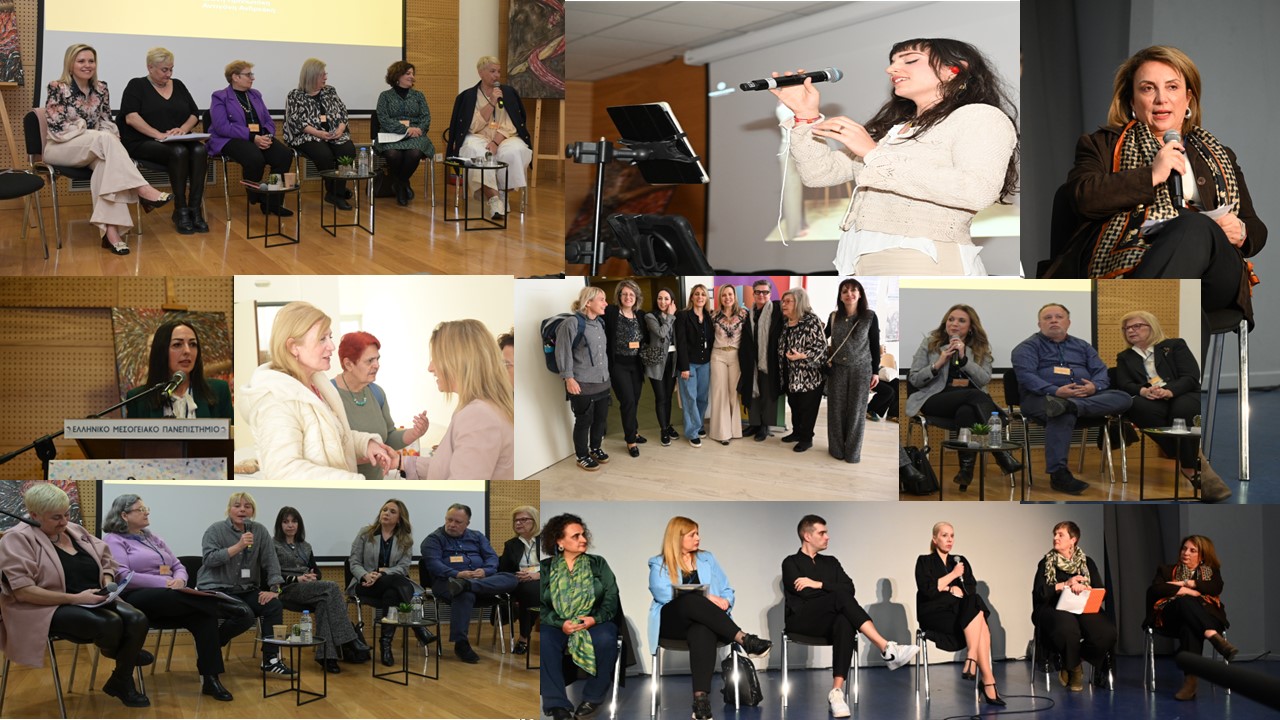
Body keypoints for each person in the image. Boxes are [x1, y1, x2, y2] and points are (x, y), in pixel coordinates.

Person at [771, 38, 1018, 275]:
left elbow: (977, 191)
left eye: (910, 60)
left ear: (953, 70)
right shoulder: (893, 131)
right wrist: (805, 115)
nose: (890, 69)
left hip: (921, 256)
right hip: (857, 257)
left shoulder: (979, 117)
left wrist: (873, 154)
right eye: (892, 62)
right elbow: (819, 174)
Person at [1060, 46, 1265, 330]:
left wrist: (1241, 231)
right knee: (1185, 314)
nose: (1161, 99)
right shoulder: (1102, 145)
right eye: (1148, 88)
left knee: (1195, 226)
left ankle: (1129, 326)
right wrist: (1151, 175)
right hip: (1134, 267)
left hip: (1215, 276)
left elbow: (1256, 228)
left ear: (1188, 97)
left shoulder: (1220, 154)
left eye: (1172, 87)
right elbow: (1082, 198)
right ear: (1132, 99)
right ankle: (1148, 346)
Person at [0, 484, 150, 707]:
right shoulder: (16, 539)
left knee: (138, 619)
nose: (64, 522)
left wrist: (107, 581)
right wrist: (77, 599)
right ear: (34, 515)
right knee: (109, 623)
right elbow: (23, 592)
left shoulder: (74, 530)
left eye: (67, 514)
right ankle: (124, 655)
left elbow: (106, 560)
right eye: (56, 517)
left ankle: (120, 678)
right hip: (47, 607)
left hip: (92, 598)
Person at [240, 301, 394, 480]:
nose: (332, 346)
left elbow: (331, 436)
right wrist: (352, 482)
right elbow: (283, 470)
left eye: (330, 337)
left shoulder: (316, 385)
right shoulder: (276, 400)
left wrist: (366, 444)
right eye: (322, 339)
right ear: (293, 347)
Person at [43, 43, 173, 255]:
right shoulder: (57, 87)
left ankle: (111, 234)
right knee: (104, 139)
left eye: (91, 61)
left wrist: (102, 135)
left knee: (106, 166)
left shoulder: (101, 88)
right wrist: (91, 131)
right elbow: (57, 126)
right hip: (61, 147)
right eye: (81, 61)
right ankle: (142, 188)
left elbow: (106, 121)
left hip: (94, 147)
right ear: (70, 63)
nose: (87, 65)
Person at [784, 515, 919, 718]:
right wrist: (831, 590)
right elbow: (806, 594)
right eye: (822, 533)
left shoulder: (831, 562)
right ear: (807, 536)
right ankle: (886, 648)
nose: (827, 537)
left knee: (845, 620)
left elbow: (850, 588)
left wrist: (819, 584)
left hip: (828, 621)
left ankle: (836, 692)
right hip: (802, 620)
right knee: (840, 598)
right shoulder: (790, 563)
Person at [102, 494, 233, 700]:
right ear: (124, 515)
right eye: (140, 509)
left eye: (146, 508)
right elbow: (124, 576)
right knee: (180, 599)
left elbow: (178, 565)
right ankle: (218, 604)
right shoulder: (113, 540)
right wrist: (165, 583)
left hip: (169, 597)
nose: (146, 513)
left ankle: (211, 679)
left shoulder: (153, 538)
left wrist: (180, 580)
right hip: (134, 598)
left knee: (204, 617)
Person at [648, 517, 772, 720]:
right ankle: (744, 639)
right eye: (692, 535)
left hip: (702, 622)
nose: (698, 538)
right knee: (690, 600)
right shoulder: (659, 562)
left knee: (702, 630)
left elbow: (727, 589)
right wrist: (706, 596)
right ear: (677, 537)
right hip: (672, 623)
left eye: (698, 533)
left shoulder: (707, 559)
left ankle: (701, 702)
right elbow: (662, 593)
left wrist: (726, 601)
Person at [1011, 303, 1132, 495]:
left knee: (1123, 397)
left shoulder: (1082, 346)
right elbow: (1027, 377)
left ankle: (1071, 406)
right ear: (1039, 324)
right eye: (1047, 318)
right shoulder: (1026, 348)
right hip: (1042, 398)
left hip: (1085, 396)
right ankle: (1059, 474)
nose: (1053, 320)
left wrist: (1095, 386)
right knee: (1060, 412)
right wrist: (1056, 391)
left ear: (1068, 322)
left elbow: (1100, 371)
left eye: (1058, 317)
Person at [1115, 310, 1230, 502]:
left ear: (1151, 327)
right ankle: (1191, 460)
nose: (1131, 331)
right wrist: (1144, 391)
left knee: (1181, 411)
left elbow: (1191, 376)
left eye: (1137, 326)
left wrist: (1169, 391)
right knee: (1135, 406)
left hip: (1182, 393)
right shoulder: (1125, 356)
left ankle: (1188, 466)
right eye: (1126, 328)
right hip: (1151, 398)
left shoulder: (1174, 345)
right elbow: (1124, 384)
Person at [908, 304, 1021, 489]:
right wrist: (938, 364)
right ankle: (1000, 451)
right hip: (935, 399)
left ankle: (965, 472)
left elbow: (984, 379)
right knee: (975, 395)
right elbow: (915, 379)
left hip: (968, 401)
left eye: (961, 321)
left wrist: (965, 360)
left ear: (971, 327)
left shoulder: (979, 347)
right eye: (951, 319)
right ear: (945, 323)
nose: (954, 324)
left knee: (967, 411)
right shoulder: (930, 344)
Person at [398, 319, 515, 480]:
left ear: (457, 361)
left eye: (436, 358)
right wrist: (401, 462)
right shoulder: (481, 409)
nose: (430, 368)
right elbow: (451, 466)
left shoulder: (478, 416)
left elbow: (463, 487)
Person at [198, 491, 293, 676]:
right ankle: (211, 644)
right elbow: (209, 559)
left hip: (245, 589)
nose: (242, 510)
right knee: (245, 614)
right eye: (237, 506)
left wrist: (275, 589)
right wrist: (239, 546)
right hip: (217, 589)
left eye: (247, 507)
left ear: (252, 511)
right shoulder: (215, 530)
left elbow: (271, 561)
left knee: (273, 606)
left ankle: (270, 659)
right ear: (229, 510)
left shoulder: (260, 531)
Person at [118, 47, 208, 234]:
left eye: (171, 69)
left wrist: (183, 129)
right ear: (150, 67)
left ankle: (195, 209)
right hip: (143, 141)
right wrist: (158, 134)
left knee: (200, 150)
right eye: (164, 70)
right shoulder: (136, 85)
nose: (169, 74)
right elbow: (131, 118)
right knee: (179, 152)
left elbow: (194, 113)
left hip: (176, 140)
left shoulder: (179, 85)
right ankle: (180, 210)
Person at [540, 513, 620, 720]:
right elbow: (540, 605)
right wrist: (560, 623)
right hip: (559, 622)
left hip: (594, 620)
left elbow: (611, 597)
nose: (583, 539)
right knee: (545, 639)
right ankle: (556, 705)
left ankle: (593, 698)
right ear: (559, 541)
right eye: (576, 536)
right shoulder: (545, 568)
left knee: (605, 638)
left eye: (583, 534)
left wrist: (595, 619)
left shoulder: (597, 563)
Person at [915, 522, 1003, 706]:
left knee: (975, 601)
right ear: (935, 539)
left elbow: (969, 590)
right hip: (934, 614)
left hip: (957, 612)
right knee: (980, 621)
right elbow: (928, 590)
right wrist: (952, 580)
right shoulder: (924, 561)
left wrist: (949, 587)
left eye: (952, 536)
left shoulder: (960, 560)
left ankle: (972, 657)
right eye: (944, 535)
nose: (949, 540)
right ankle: (988, 680)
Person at [270, 506, 364, 673]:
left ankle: (327, 657)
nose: (290, 525)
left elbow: (317, 571)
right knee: (332, 586)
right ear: (280, 525)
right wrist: (297, 578)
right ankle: (349, 638)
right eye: (285, 522)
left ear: (299, 524)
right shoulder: (273, 545)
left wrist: (313, 576)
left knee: (325, 603)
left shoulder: (305, 546)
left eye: (294, 521)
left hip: (309, 588)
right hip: (286, 590)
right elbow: (271, 574)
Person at [421, 503, 519, 664]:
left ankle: (468, 585)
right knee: (464, 594)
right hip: (447, 582)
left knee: (511, 578)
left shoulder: (477, 536)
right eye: (449, 520)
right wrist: (458, 574)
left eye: (458, 522)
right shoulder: (433, 540)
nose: (452, 524)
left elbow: (492, 558)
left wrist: (485, 571)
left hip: (481, 580)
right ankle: (461, 643)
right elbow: (434, 565)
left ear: (467, 523)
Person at [1146, 534, 1237, 701]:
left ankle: (1191, 681)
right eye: (1184, 548)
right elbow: (1155, 590)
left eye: (1192, 550)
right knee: (1184, 601)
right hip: (1171, 618)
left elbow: (1215, 587)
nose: (1186, 553)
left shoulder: (1211, 572)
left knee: (1189, 628)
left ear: (1202, 556)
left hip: (1205, 616)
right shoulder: (1166, 570)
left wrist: (1190, 583)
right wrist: (1185, 590)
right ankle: (1212, 635)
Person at [1031, 521, 1116, 692]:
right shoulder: (1046, 563)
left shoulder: (1087, 562)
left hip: (1081, 606)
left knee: (1107, 632)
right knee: (1068, 628)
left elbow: (1100, 589)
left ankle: (1073, 660)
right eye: (1055, 534)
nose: (1055, 538)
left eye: (1060, 534)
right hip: (1052, 607)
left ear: (1073, 540)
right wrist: (1064, 584)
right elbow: (1039, 593)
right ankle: (1075, 670)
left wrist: (1086, 588)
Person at [445, 55, 533, 219]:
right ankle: (494, 200)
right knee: (476, 151)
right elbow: (472, 126)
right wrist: (492, 102)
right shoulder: (468, 96)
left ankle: (503, 193)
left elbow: (512, 123)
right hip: (478, 136)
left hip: (504, 136)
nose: (497, 75)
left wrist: (495, 142)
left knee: (516, 150)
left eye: (498, 71)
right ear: (481, 72)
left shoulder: (508, 93)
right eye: (492, 71)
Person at [347, 499, 432, 666]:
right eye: (384, 510)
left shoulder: (405, 539)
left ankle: (385, 645)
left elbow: (403, 567)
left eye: (392, 511)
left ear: (399, 519)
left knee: (392, 594)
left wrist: (382, 573)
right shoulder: (365, 533)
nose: (386, 513)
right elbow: (354, 562)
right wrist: (366, 575)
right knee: (399, 583)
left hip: (389, 584)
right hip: (365, 585)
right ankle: (417, 626)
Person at [332, 331, 428, 479]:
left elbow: (388, 438)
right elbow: (326, 452)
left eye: (377, 359)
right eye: (369, 361)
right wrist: (370, 455)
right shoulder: (327, 395)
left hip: (376, 484)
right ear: (348, 364)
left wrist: (415, 432)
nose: (376, 365)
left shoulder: (377, 393)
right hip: (343, 485)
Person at [209, 60, 295, 217]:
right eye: (248, 75)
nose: (252, 78)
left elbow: (268, 120)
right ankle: (256, 194)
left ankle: (272, 202)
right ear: (235, 77)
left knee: (284, 155)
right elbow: (222, 127)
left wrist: (267, 135)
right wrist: (252, 137)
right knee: (255, 158)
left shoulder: (255, 95)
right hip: (230, 139)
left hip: (259, 137)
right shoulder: (220, 96)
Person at [283, 58, 356, 210]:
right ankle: (336, 193)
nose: (326, 77)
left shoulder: (330, 91)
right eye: (322, 75)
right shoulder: (295, 95)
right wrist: (318, 133)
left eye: (325, 74)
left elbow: (343, 112)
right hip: (307, 136)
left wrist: (340, 129)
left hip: (334, 134)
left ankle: (335, 192)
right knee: (324, 154)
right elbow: (296, 121)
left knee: (347, 150)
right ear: (311, 76)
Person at [125, 320, 233, 420]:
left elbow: (232, 433)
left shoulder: (219, 391)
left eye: (192, 344)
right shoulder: (138, 399)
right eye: (177, 344)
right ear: (161, 351)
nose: (187, 351)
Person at [558, 287, 611, 471]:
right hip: (582, 384)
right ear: (588, 302)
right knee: (584, 421)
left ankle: (595, 448)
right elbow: (563, 352)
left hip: (603, 381)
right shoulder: (571, 323)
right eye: (602, 299)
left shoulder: (600, 323)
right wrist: (568, 379)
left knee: (600, 420)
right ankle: (582, 456)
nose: (606, 303)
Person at [826, 279, 879, 463]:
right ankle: (836, 450)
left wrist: (875, 372)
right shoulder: (834, 317)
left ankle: (853, 453)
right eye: (845, 291)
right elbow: (821, 337)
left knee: (857, 412)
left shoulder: (869, 316)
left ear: (860, 294)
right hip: (837, 369)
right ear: (840, 297)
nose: (849, 294)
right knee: (836, 411)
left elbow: (874, 345)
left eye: (853, 290)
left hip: (861, 370)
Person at [375, 60, 434, 206]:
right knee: (392, 154)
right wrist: (405, 130)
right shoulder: (385, 96)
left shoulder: (418, 95)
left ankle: (399, 183)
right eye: (408, 73)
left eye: (413, 74)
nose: (412, 77)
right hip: (391, 133)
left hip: (416, 134)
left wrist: (419, 129)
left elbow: (426, 117)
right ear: (397, 75)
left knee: (414, 153)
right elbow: (383, 118)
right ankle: (403, 183)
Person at [779, 287, 827, 452]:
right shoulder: (786, 322)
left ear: (799, 303)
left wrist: (802, 356)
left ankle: (806, 439)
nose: (784, 304)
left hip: (809, 376)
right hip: (790, 374)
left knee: (807, 408)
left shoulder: (811, 320)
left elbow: (821, 348)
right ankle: (797, 432)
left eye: (788, 301)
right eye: (783, 301)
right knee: (794, 405)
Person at [604, 280, 648, 457]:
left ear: (636, 297)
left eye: (632, 294)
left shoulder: (640, 315)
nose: (628, 297)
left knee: (635, 400)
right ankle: (631, 441)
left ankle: (634, 431)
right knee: (628, 401)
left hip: (636, 364)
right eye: (625, 294)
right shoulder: (611, 312)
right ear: (619, 296)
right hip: (618, 364)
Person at [743, 279, 784, 442]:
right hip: (752, 361)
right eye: (758, 292)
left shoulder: (777, 311)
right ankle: (754, 424)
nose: (761, 295)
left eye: (765, 292)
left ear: (770, 294)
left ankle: (765, 426)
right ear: (753, 294)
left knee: (767, 394)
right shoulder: (749, 313)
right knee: (753, 393)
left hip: (769, 361)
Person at [707, 284, 747, 446]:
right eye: (724, 295)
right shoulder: (713, 315)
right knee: (719, 393)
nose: (727, 298)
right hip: (718, 355)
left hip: (736, 356)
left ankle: (735, 430)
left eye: (730, 294)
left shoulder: (744, 314)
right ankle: (722, 433)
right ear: (720, 297)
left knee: (733, 393)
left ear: (734, 296)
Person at [498, 506, 541, 655]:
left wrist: (538, 575)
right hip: (520, 582)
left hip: (544, 581)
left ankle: (524, 637)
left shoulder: (547, 542)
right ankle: (524, 636)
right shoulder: (511, 544)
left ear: (534, 521)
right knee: (529, 591)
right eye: (516, 520)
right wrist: (518, 575)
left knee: (533, 590)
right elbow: (503, 570)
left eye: (523, 519)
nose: (518, 523)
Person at [676, 284, 713, 448]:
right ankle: (692, 432)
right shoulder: (683, 316)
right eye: (697, 294)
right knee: (690, 398)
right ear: (692, 297)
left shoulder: (708, 316)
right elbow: (681, 343)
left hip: (705, 363)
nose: (700, 297)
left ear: (706, 298)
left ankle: (699, 425)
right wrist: (684, 366)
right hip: (689, 364)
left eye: (703, 294)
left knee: (702, 397)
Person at [643, 288, 681, 446]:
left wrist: (672, 316)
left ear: (672, 301)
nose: (663, 302)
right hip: (657, 362)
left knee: (668, 397)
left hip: (672, 360)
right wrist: (670, 316)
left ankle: (668, 424)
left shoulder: (677, 316)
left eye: (666, 298)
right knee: (660, 397)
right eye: (660, 298)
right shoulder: (650, 316)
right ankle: (663, 430)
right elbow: (661, 333)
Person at [868, 345, 899, 421]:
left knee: (897, 384)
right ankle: (869, 409)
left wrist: (880, 356)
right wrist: (878, 354)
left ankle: (893, 413)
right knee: (889, 391)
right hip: (867, 377)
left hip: (877, 375)